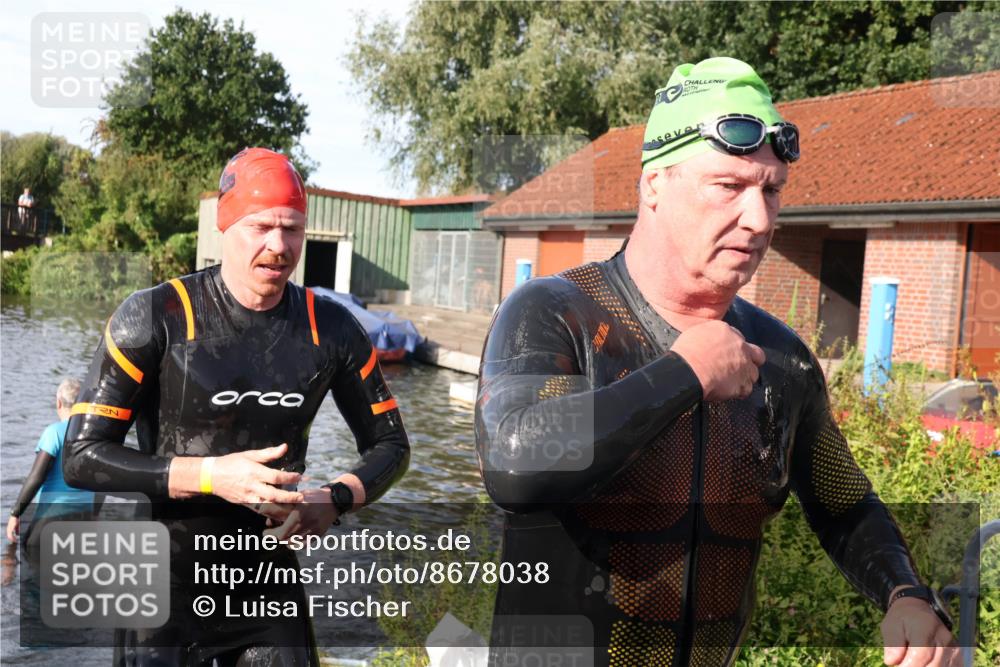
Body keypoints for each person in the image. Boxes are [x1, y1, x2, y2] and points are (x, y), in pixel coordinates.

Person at [475, 57, 958, 667]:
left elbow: (845, 503)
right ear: (654, 183)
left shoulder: (781, 360)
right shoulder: (556, 313)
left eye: (772, 191)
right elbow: (514, 461)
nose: (758, 220)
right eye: (728, 186)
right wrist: (684, 374)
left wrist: (905, 592)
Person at [62, 147, 410, 666]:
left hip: (267, 587)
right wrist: (208, 476)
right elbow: (81, 455)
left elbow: (391, 445)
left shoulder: (331, 329)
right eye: (261, 226)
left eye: (292, 229)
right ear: (226, 227)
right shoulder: (156, 317)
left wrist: (335, 499)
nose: (279, 246)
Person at [7, 378, 95, 566]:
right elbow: (102, 482)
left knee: (28, 566)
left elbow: (36, 477)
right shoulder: (94, 436)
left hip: (52, 519)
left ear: (58, 402)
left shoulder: (54, 432)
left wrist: (15, 514)